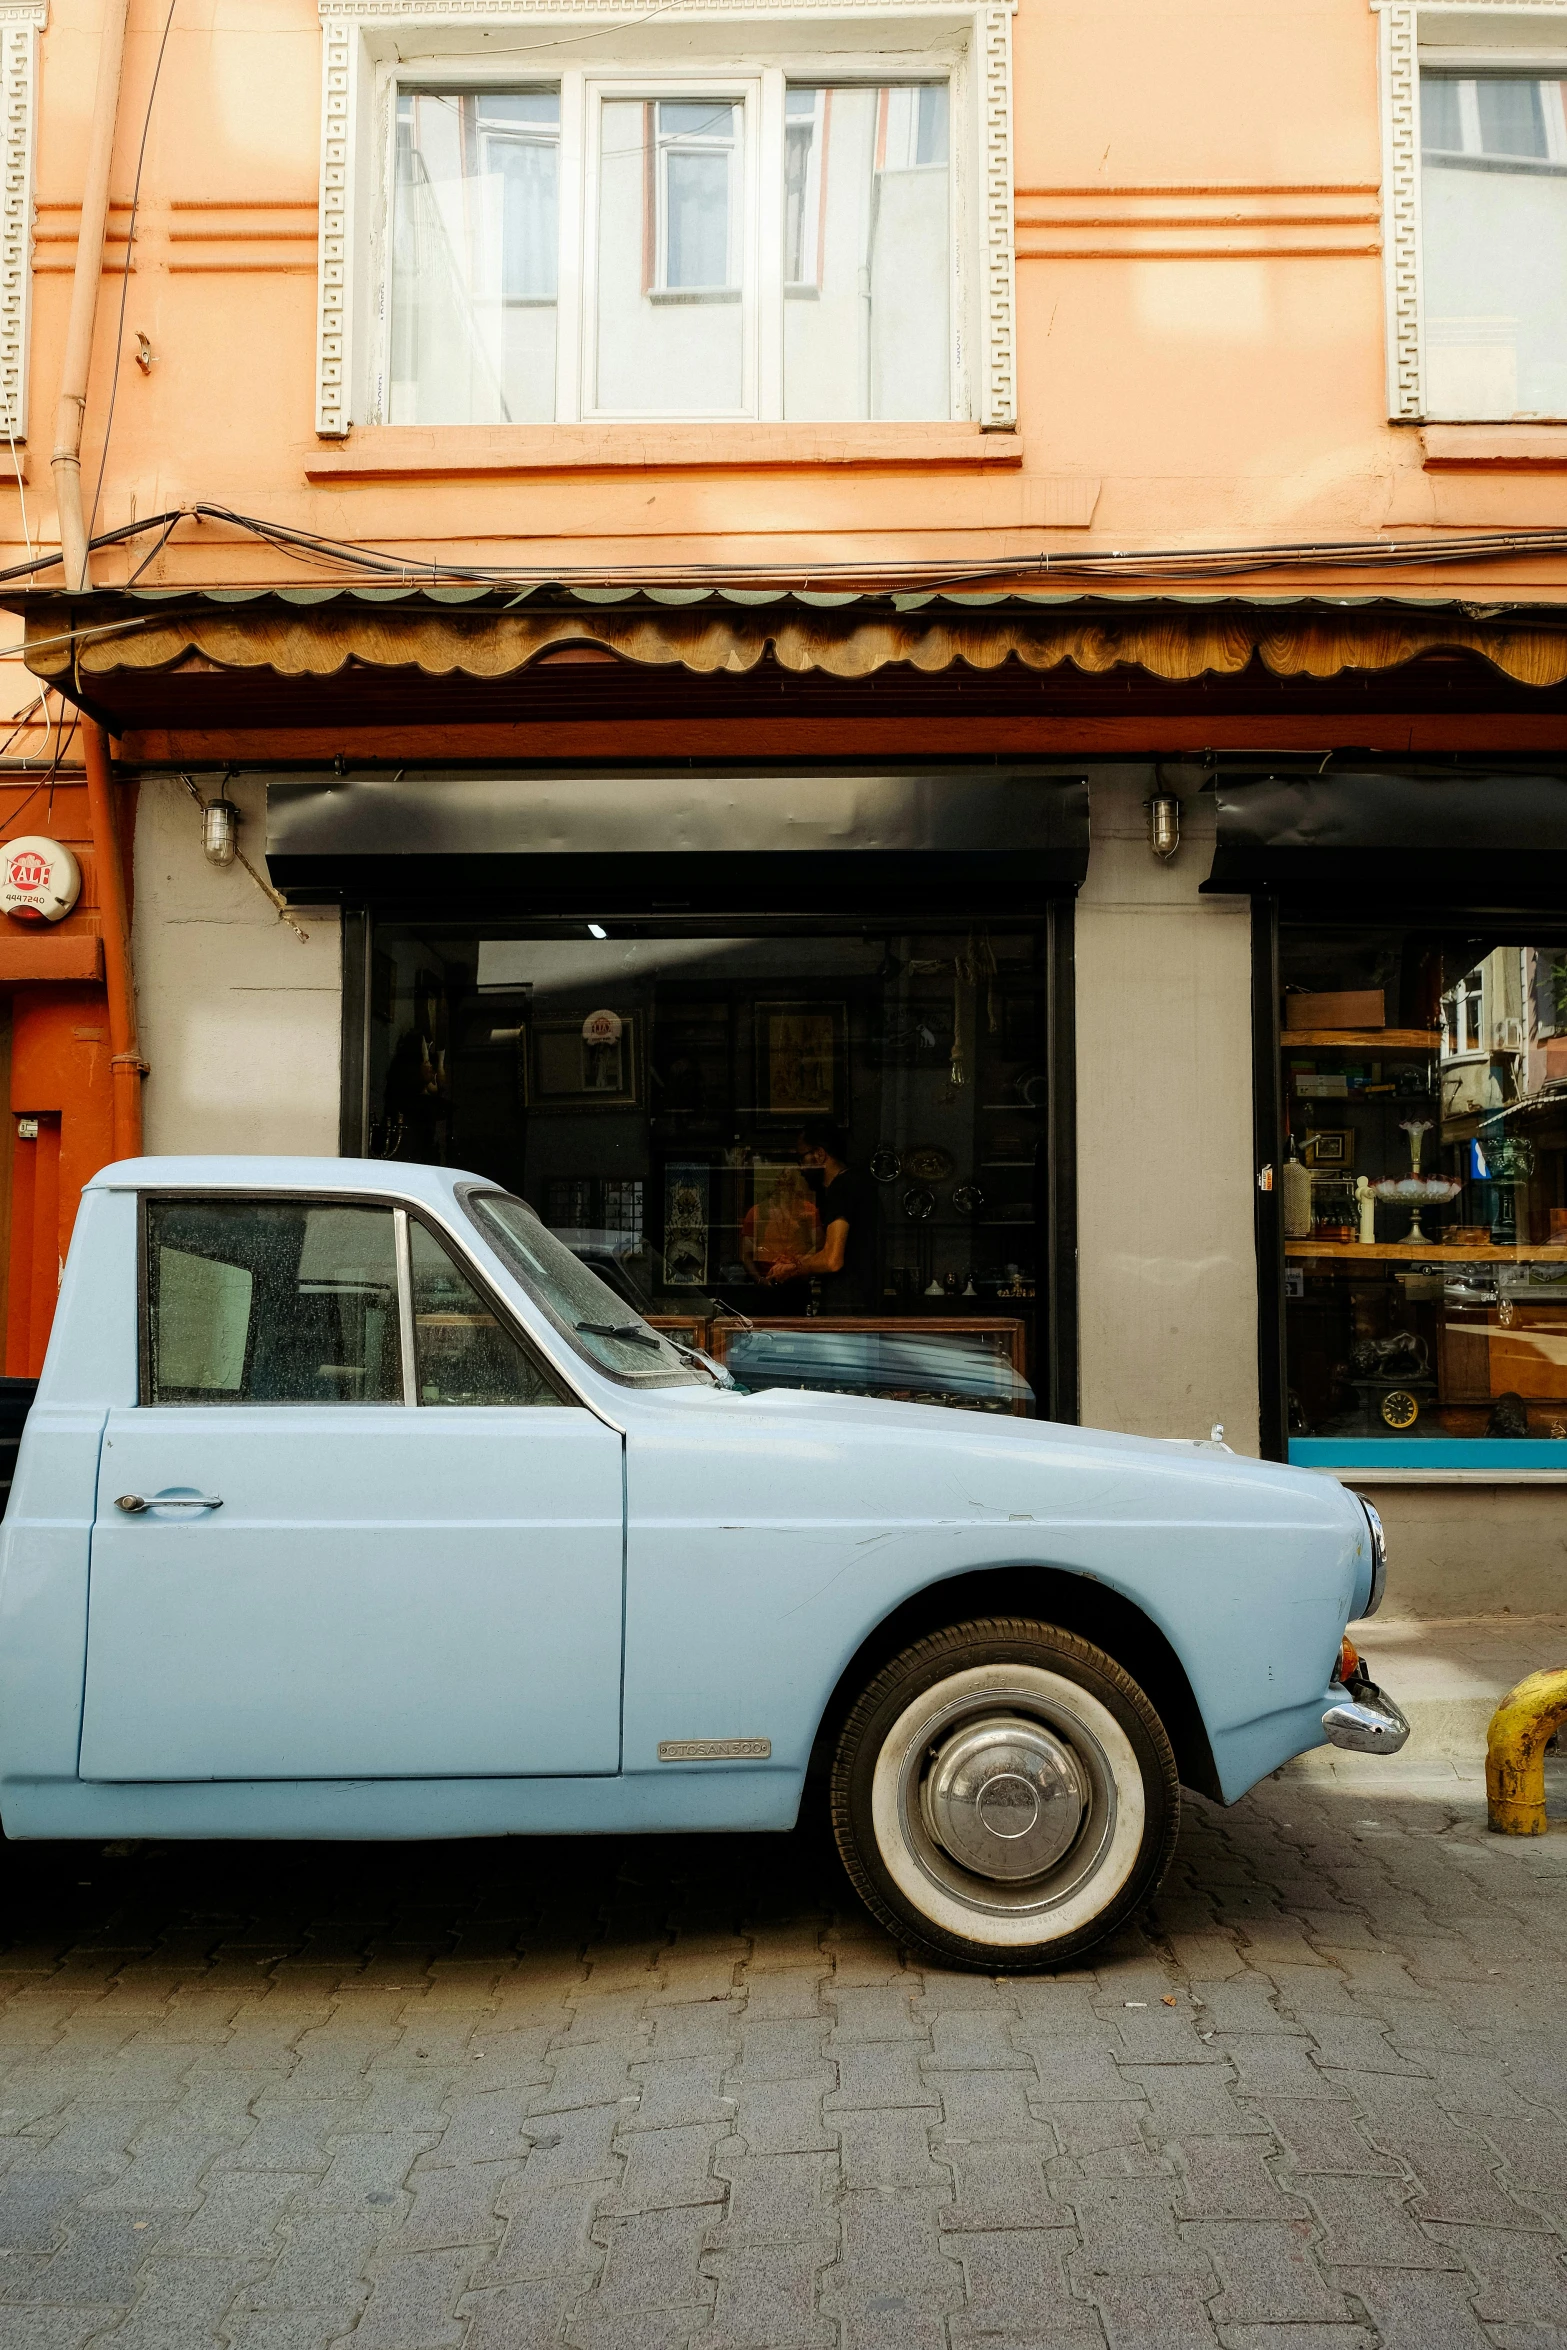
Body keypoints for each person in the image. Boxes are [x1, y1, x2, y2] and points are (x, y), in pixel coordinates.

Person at [766, 1121, 878, 1312]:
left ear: (819, 1154)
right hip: (859, 1308)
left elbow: (832, 1260)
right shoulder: (856, 1184)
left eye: (801, 1159)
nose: (801, 1169)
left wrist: (792, 1268)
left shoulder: (842, 1188)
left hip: (847, 1312)